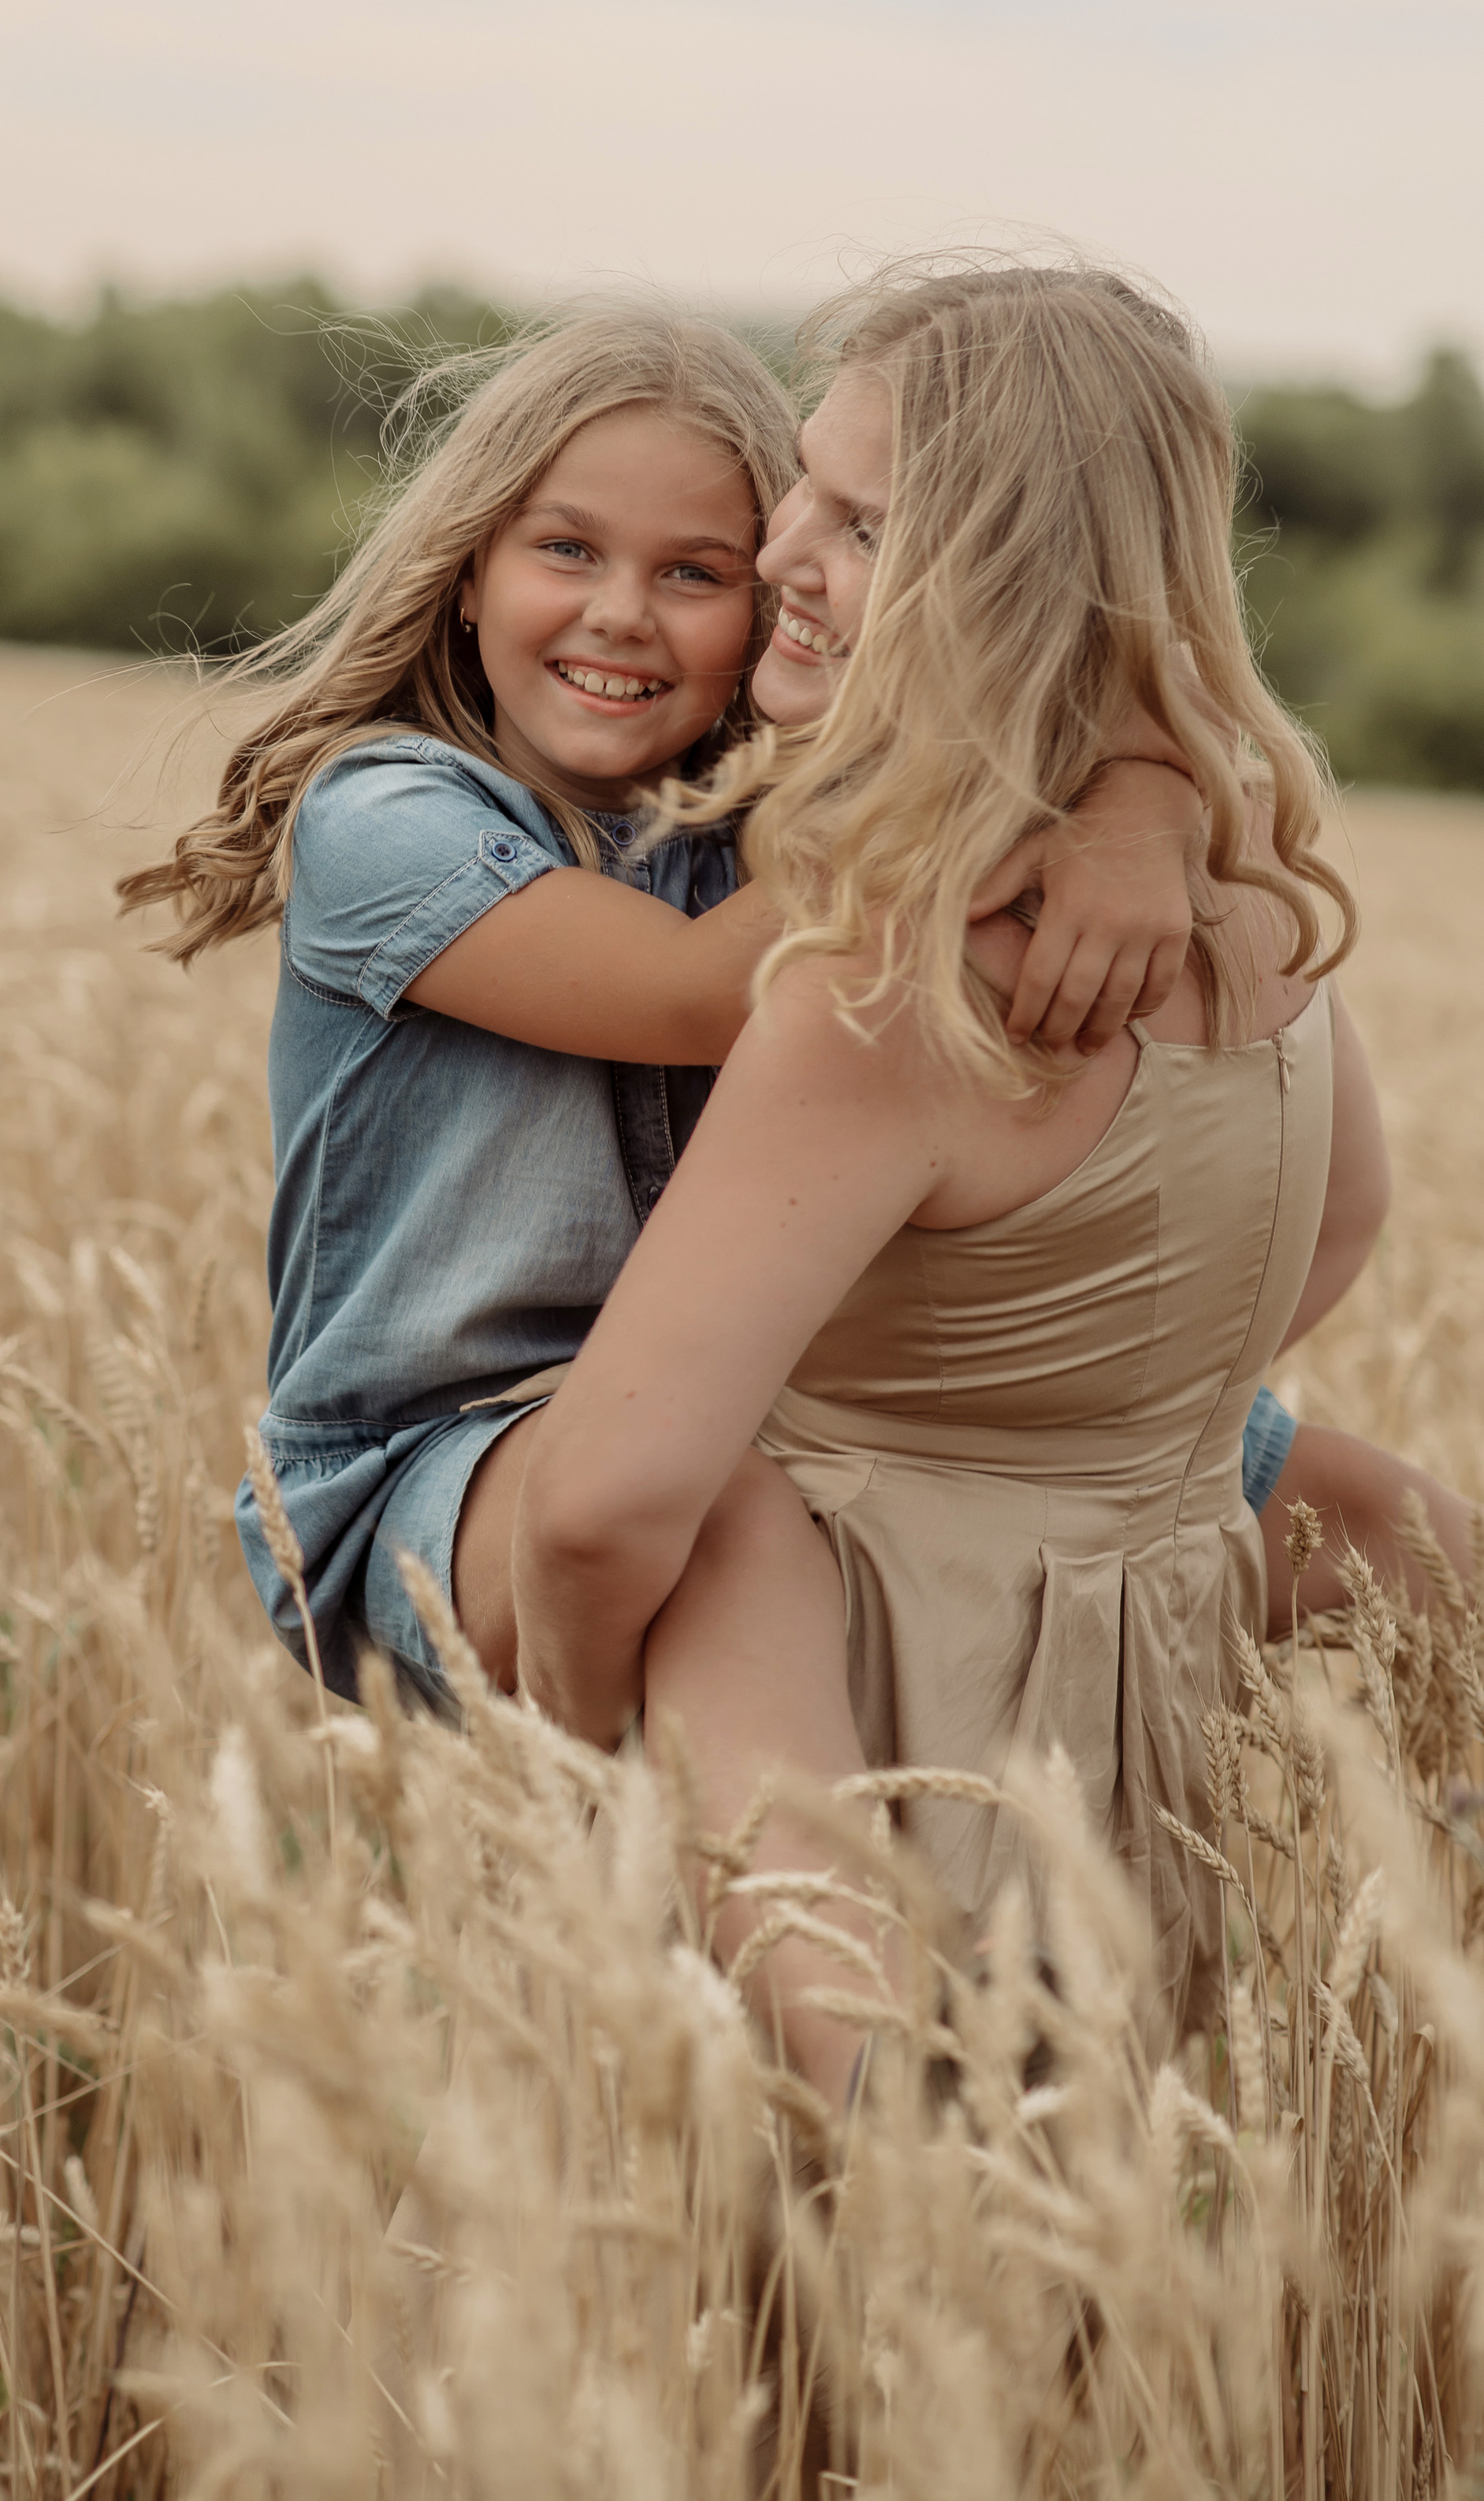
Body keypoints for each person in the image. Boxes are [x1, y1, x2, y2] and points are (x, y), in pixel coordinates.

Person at [501, 261, 1461, 2083]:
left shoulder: (892, 980)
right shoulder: (1244, 893)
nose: (781, 546)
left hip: (835, 1765)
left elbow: (599, 1505)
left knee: (788, 2322)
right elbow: (1333, 1225)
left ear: (1011, 585)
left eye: (860, 525)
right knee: (1064, 2306)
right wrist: (1090, 1453)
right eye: (805, 479)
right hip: (1124, 1748)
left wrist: (574, 1772)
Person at [119, 310, 1205, 1714]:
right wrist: (1009, 809)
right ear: (465, 575)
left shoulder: (776, 820)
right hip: (433, 1481)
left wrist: (1137, 795)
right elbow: (693, 994)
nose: (622, 611)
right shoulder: (384, 819)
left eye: (693, 572)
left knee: (1317, 1496)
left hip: (749, 1409)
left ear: (766, 602)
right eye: (566, 550)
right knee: (710, 1520)